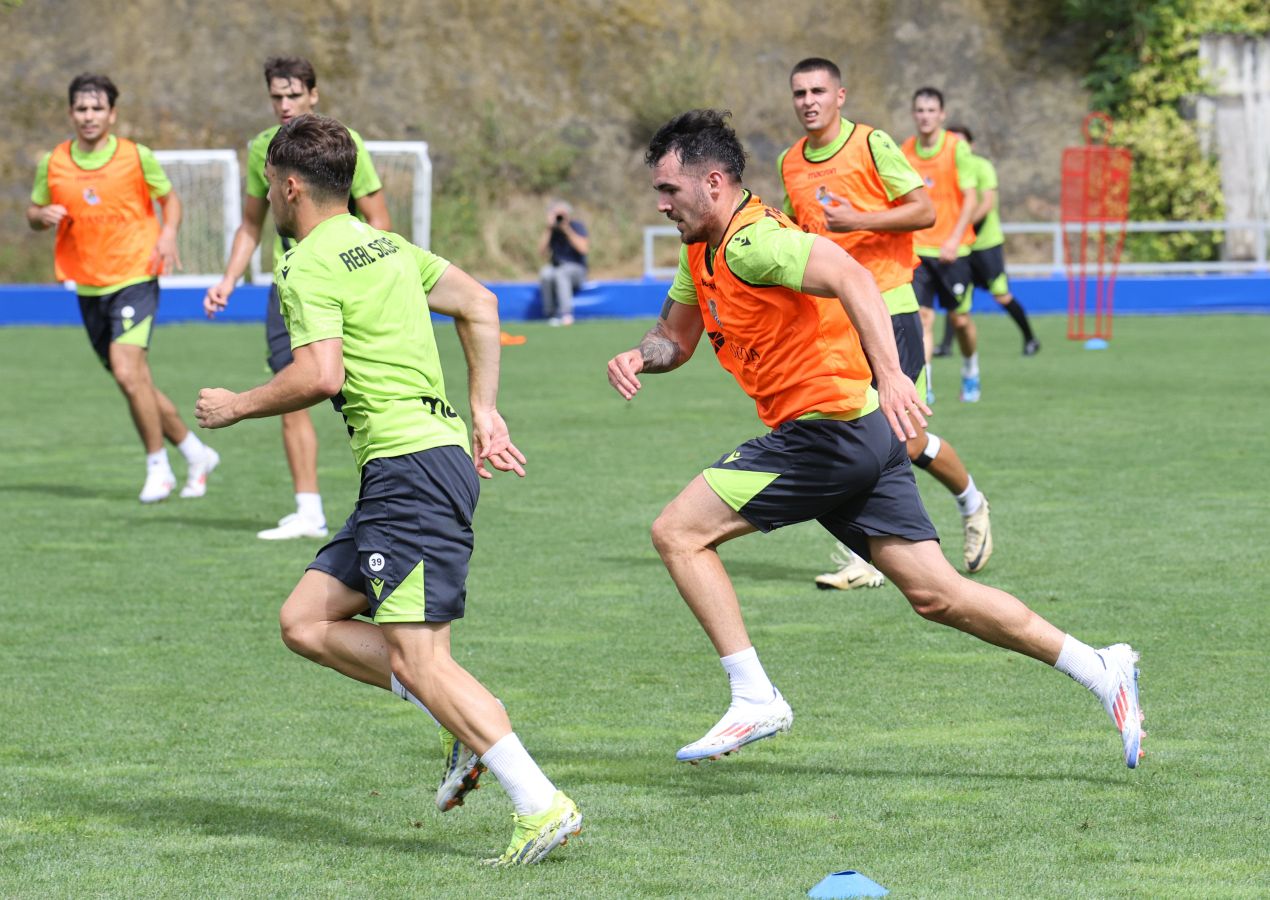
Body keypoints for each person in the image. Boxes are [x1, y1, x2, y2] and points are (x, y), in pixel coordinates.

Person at [606, 108, 1144, 773]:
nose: (661, 204)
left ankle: (755, 695)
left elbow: (853, 277)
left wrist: (892, 376)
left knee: (678, 533)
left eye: (669, 190)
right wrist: (640, 356)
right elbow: (676, 340)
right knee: (939, 596)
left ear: (713, 182)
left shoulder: (756, 242)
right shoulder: (701, 250)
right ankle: (1101, 668)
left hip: (828, 432)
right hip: (856, 435)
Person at [194, 114, 581, 865]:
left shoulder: (304, 263)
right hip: (408, 469)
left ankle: (540, 802)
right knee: (305, 620)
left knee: (424, 659)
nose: (268, 195)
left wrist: (236, 405)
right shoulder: (390, 246)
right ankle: (454, 720)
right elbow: (482, 304)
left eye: (270, 183)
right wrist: (483, 409)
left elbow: (321, 375)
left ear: (290, 185)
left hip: (410, 473)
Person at [778, 58, 993, 582]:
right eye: (800, 93)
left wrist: (861, 219)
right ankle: (866, 557)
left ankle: (971, 503)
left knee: (906, 440)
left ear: (840, 96)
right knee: (846, 432)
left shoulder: (871, 145)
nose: (808, 101)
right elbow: (796, 232)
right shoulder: (790, 162)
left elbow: (924, 211)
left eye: (818, 91)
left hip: (890, 307)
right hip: (832, 321)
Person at [204, 56, 391, 540]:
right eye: (276, 96)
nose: (284, 105)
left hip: (346, 280)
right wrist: (228, 280)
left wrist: (362, 271)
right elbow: (251, 224)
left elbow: (379, 218)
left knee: (361, 389)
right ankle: (308, 510)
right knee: (291, 389)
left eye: (293, 95)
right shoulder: (261, 149)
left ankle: (386, 497)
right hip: (290, 287)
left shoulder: (343, 145)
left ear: (313, 94)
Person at [26, 73, 219, 504]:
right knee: (135, 382)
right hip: (89, 286)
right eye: (81, 108)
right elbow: (33, 210)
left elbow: (171, 200)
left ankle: (158, 468)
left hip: (135, 275)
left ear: (112, 114)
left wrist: (169, 233)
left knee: (130, 372)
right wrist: (42, 216)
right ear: (71, 113)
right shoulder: (54, 162)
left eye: (97, 108)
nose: (88, 116)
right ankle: (196, 452)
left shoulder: (136, 156)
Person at [900, 88, 982, 403]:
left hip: (954, 250)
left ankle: (971, 368)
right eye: (920, 110)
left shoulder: (956, 148)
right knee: (923, 317)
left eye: (931, 110)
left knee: (960, 321)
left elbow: (971, 199)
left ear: (942, 114)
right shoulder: (905, 150)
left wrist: (954, 238)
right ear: (913, 114)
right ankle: (927, 385)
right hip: (919, 248)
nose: (925, 116)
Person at [941, 124, 1041, 356]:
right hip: (959, 246)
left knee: (1001, 295)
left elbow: (986, 204)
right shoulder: (944, 170)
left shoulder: (981, 166)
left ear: (971, 145)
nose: (957, 147)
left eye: (961, 142)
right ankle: (946, 346)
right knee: (956, 297)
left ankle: (1030, 338)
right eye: (952, 142)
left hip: (985, 245)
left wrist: (958, 229)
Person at [537, 200, 589, 326]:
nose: (559, 218)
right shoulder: (551, 231)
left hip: (576, 269)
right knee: (545, 273)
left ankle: (566, 314)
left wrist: (567, 230)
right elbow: (541, 252)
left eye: (562, 214)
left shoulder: (576, 226)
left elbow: (584, 249)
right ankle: (551, 314)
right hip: (556, 267)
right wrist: (549, 229)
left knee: (561, 273)